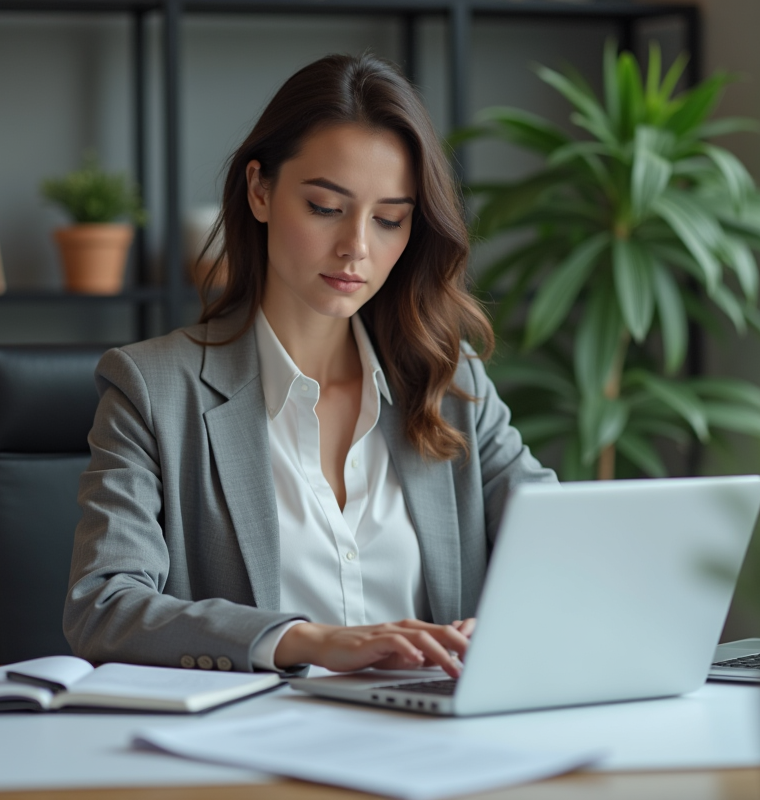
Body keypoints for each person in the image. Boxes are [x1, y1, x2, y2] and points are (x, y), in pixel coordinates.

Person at [63, 53, 555, 678]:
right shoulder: (153, 390)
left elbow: (559, 543)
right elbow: (103, 606)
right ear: (260, 190)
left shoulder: (449, 382)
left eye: (389, 219)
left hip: (431, 726)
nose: (356, 247)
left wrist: (514, 619)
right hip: (259, 733)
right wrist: (308, 641)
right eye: (325, 207)